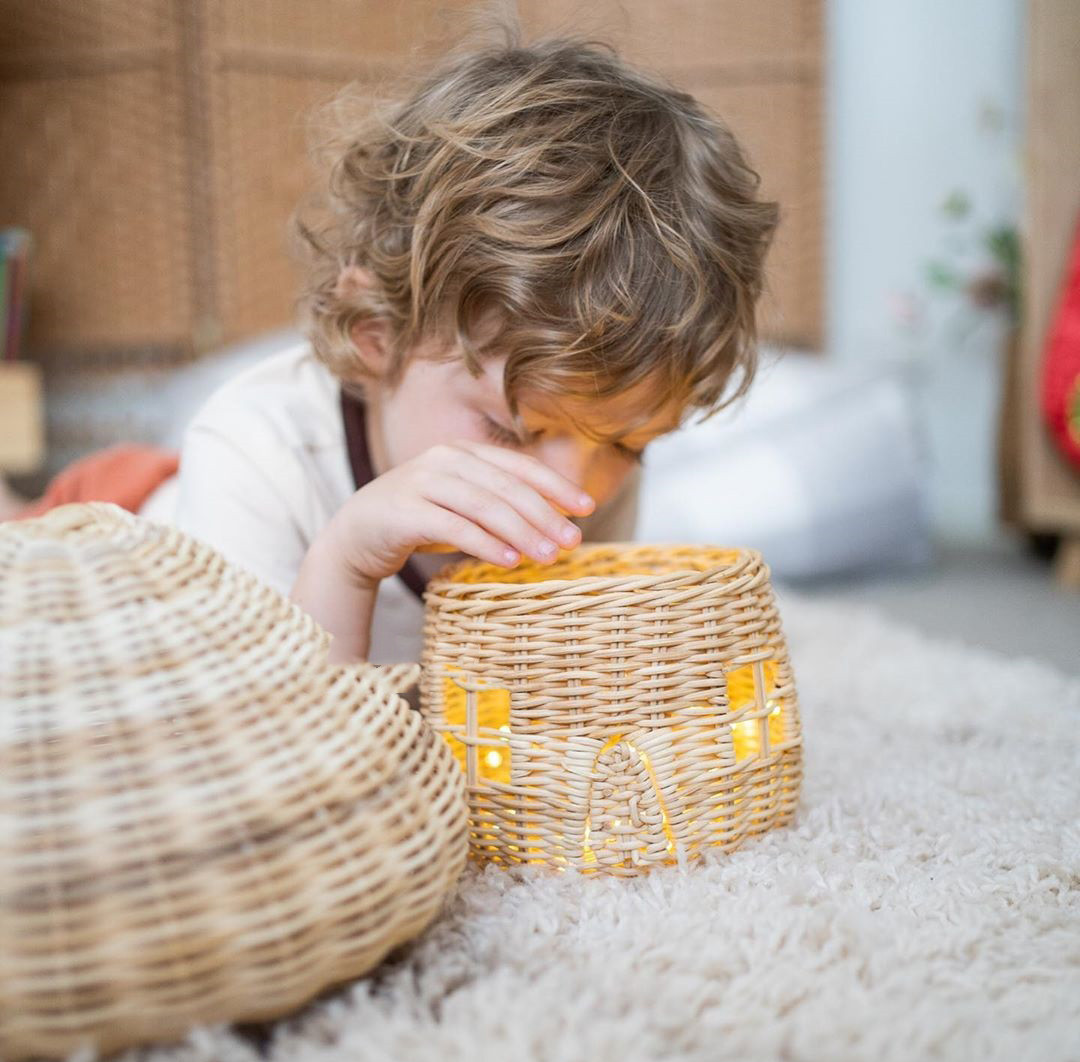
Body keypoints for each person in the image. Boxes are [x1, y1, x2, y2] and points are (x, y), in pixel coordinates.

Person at [6, 22, 779, 667]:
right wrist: (348, 560)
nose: (571, 496)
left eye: (630, 445)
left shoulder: (586, 464)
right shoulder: (253, 456)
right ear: (378, 328)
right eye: (513, 429)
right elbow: (281, 759)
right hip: (127, 525)